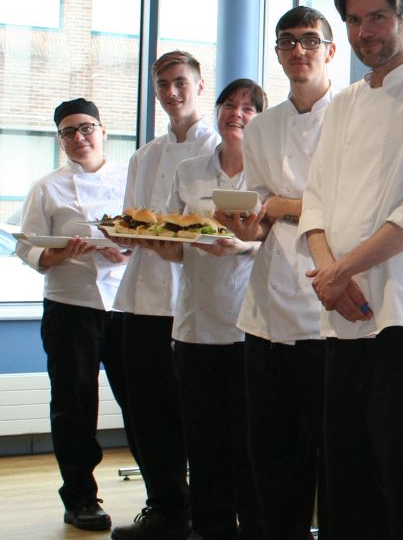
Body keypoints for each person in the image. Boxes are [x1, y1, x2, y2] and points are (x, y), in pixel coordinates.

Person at [299, 0, 403, 540]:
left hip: (399, 315)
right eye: (355, 21)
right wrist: (329, 275)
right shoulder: (344, 103)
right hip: (340, 313)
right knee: (344, 477)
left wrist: (341, 271)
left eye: (378, 17)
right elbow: (315, 200)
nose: (365, 32)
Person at [217, 6, 336, 540]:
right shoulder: (262, 127)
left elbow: (344, 208)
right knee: (271, 454)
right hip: (266, 315)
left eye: (309, 40)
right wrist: (247, 222)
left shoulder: (348, 116)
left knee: (334, 456)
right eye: (287, 42)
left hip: (328, 310)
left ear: (330, 50)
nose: (298, 51)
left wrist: (283, 206)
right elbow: (261, 214)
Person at [144, 79, 264, 540]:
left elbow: (281, 244)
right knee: (203, 439)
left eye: (249, 108)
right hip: (195, 326)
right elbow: (175, 239)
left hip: (251, 325)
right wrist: (159, 245)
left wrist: (242, 246)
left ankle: (255, 529)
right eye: (229, 104)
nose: (237, 113)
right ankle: (211, 529)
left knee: (249, 442)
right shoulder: (190, 171)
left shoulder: (268, 172)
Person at [112, 50, 220, 540]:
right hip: (139, 299)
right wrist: (125, 235)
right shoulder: (145, 155)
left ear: (199, 86)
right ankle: (165, 507)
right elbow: (132, 220)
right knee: (146, 412)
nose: (171, 93)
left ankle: (208, 513)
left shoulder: (216, 149)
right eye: (162, 85)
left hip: (190, 303)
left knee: (193, 415)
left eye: (180, 82)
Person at [16, 98, 131, 532]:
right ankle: (81, 497)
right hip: (69, 306)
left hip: (126, 305)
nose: (79, 137)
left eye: (86, 128)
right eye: (68, 132)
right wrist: (61, 253)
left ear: (103, 130)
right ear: (60, 140)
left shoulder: (130, 178)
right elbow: (28, 247)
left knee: (143, 401)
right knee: (74, 406)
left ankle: (167, 497)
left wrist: (129, 250)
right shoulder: (47, 187)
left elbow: (151, 233)